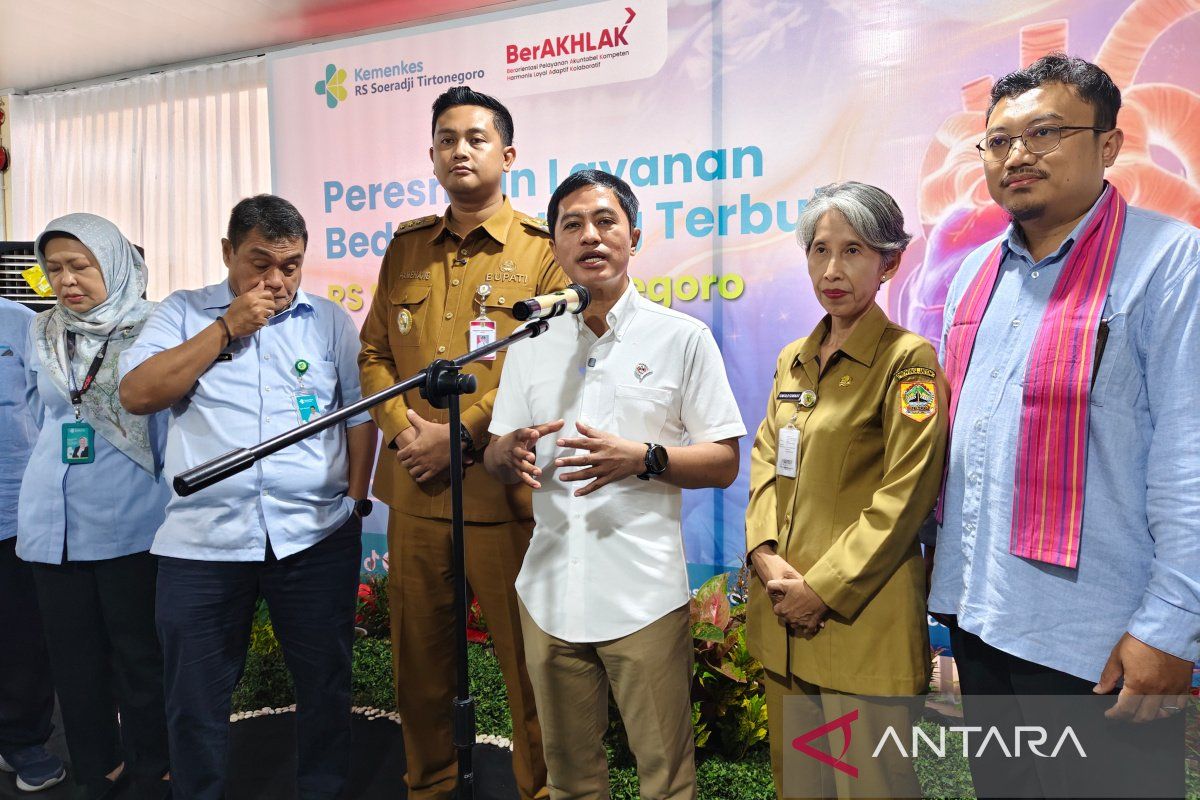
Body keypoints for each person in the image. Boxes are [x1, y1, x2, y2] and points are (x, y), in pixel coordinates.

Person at [928, 53, 1200, 798]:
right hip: (982, 616)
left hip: (1098, 641)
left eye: (1045, 132)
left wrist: (1173, 624)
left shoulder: (1169, 261)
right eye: (998, 140)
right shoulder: (975, 273)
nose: (1018, 154)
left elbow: (1190, 453)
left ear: (1108, 144)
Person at [485, 169, 745, 799]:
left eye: (605, 221)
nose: (590, 236)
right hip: (547, 593)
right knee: (571, 783)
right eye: (571, 225)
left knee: (665, 783)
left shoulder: (681, 338)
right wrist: (507, 451)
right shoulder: (528, 343)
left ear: (633, 235)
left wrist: (645, 458)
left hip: (642, 599)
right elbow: (497, 448)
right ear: (554, 245)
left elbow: (724, 461)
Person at [119, 195, 378, 800]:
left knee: (325, 685)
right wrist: (226, 327)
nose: (276, 280)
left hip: (314, 536)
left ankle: (321, 788)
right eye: (260, 262)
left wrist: (356, 502)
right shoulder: (180, 314)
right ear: (228, 253)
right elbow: (137, 393)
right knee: (195, 697)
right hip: (201, 544)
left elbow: (358, 418)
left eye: (290, 266)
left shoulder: (330, 322)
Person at [358, 85, 565, 800]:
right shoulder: (407, 246)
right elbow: (373, 356)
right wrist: (404, 433)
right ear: (432, 155)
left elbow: (544, 360)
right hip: (414, 490)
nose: (459, 150)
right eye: (446, 139)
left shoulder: (542, 253)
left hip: (501, 492)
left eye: (475, 138)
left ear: (507, 155)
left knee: (528, 667)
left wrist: (460, 435)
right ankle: (432, 786)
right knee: (418, 665)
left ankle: (539, 790)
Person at [744, 182, 948, 799]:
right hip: (783, 614)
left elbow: (906, 494)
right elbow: (763, 461)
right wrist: (764, 553)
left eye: (853, 251)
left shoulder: (906, 361)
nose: (831, 270)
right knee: (799, 788)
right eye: (819, 250)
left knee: (873, 788)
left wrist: (821, 590)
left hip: (859, 623)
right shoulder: (793, 359)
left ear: (889, 262)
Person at [17, 214, 171, 800]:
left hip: (131, 516)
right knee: (73, 660)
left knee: (138, 654)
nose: (67, 279)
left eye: (82, 265)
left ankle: (153, 762)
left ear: (114, 262)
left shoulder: (156, 325)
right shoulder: (39, 332)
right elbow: (39, 415)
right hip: (49, 519)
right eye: (54, 268)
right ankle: (96, 766)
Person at [0, 296, 67, 794]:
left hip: (12, 508)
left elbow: (51, 410)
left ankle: (22, 739)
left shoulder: (20, 322)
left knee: (22, 634)